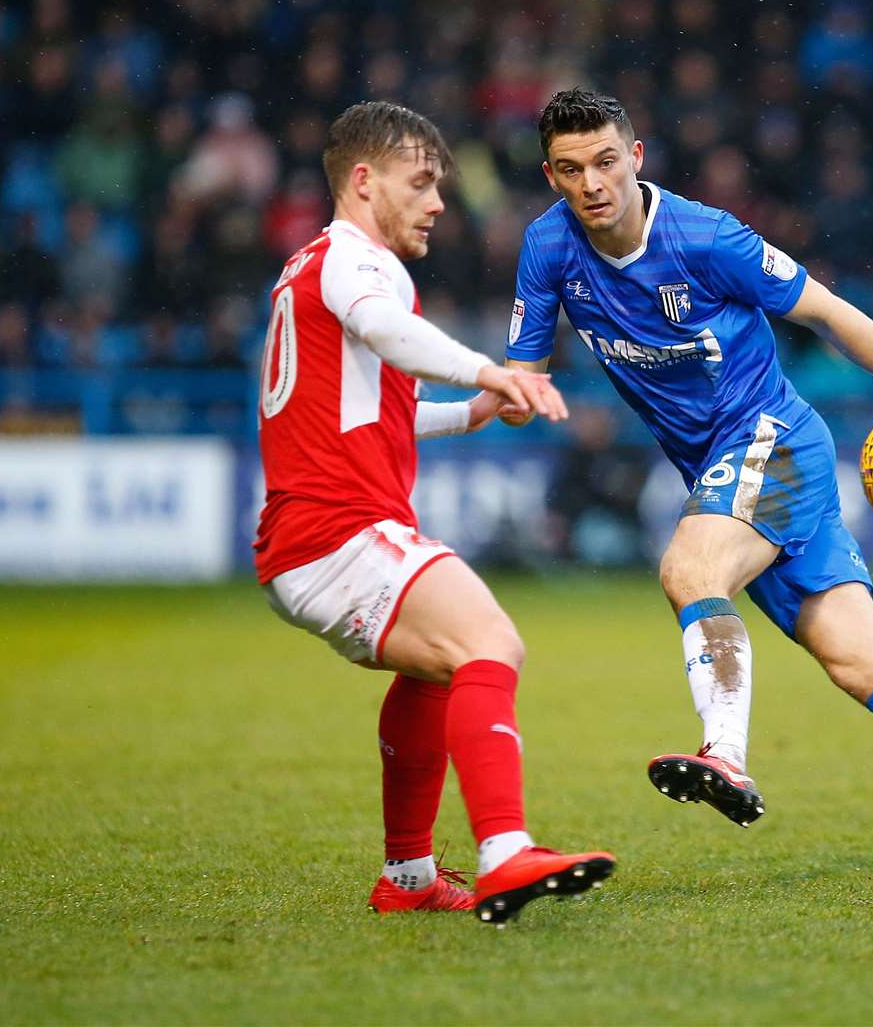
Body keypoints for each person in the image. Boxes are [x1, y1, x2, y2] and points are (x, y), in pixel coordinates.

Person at [503, 88, 873, 881]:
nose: (592, 183)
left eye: (606, 161)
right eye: (571, 169)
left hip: (771, 443)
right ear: (551, 176)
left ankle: (727, 756)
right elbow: (520, 383)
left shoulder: (707, 239)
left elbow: (832, 313)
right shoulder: (548, 248)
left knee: (689, 571)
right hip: (721, 469)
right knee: (859, 664)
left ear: (635, 157)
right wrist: (438, 402)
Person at [254, 101, 614, 924]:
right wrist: (490, 371)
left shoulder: (307, 268)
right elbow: (388, 333)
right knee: (491, 641)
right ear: (362, 181)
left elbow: (372, 408)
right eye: (420, 183)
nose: (437, 203)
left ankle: (409, 880)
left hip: (307, 539)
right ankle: (505, 854)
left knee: (433, 671)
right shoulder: (357, 263)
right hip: (338, 529)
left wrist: (472, 411)